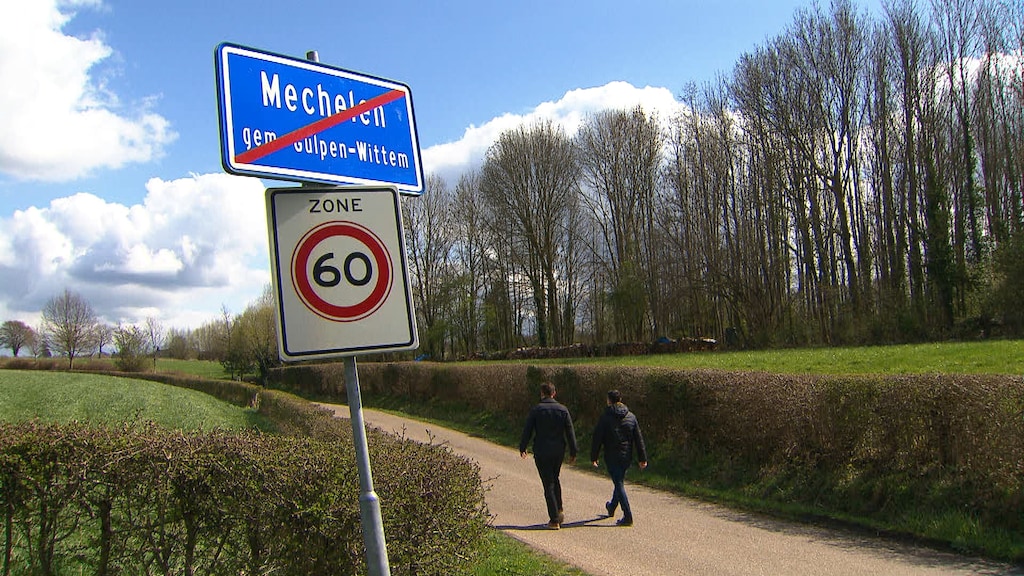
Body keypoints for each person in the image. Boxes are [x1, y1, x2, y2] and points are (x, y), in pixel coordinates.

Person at [519, 382, 578, 529]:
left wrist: (523, 446)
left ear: (542, 393)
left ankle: (554, 519)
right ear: (554, 393)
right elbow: (570, 432)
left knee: (548, 483)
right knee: (555, 478)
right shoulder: (563, 410)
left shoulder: (536, 410)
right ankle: (559, 508)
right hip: (558, 451)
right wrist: (573, 451)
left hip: (542, 450)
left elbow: (528, 430)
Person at [590, 389, 648, 526]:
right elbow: (638, 439)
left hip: (612, 455)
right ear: (620, 399)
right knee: (619, 480)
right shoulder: (631, 416)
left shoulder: (605, 417)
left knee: (618, 483)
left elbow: (597, 437)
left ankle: (628, 516)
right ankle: (611, 506)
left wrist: (594, 456)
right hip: (626, 455)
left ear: (609, 400)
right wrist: (642, 458)